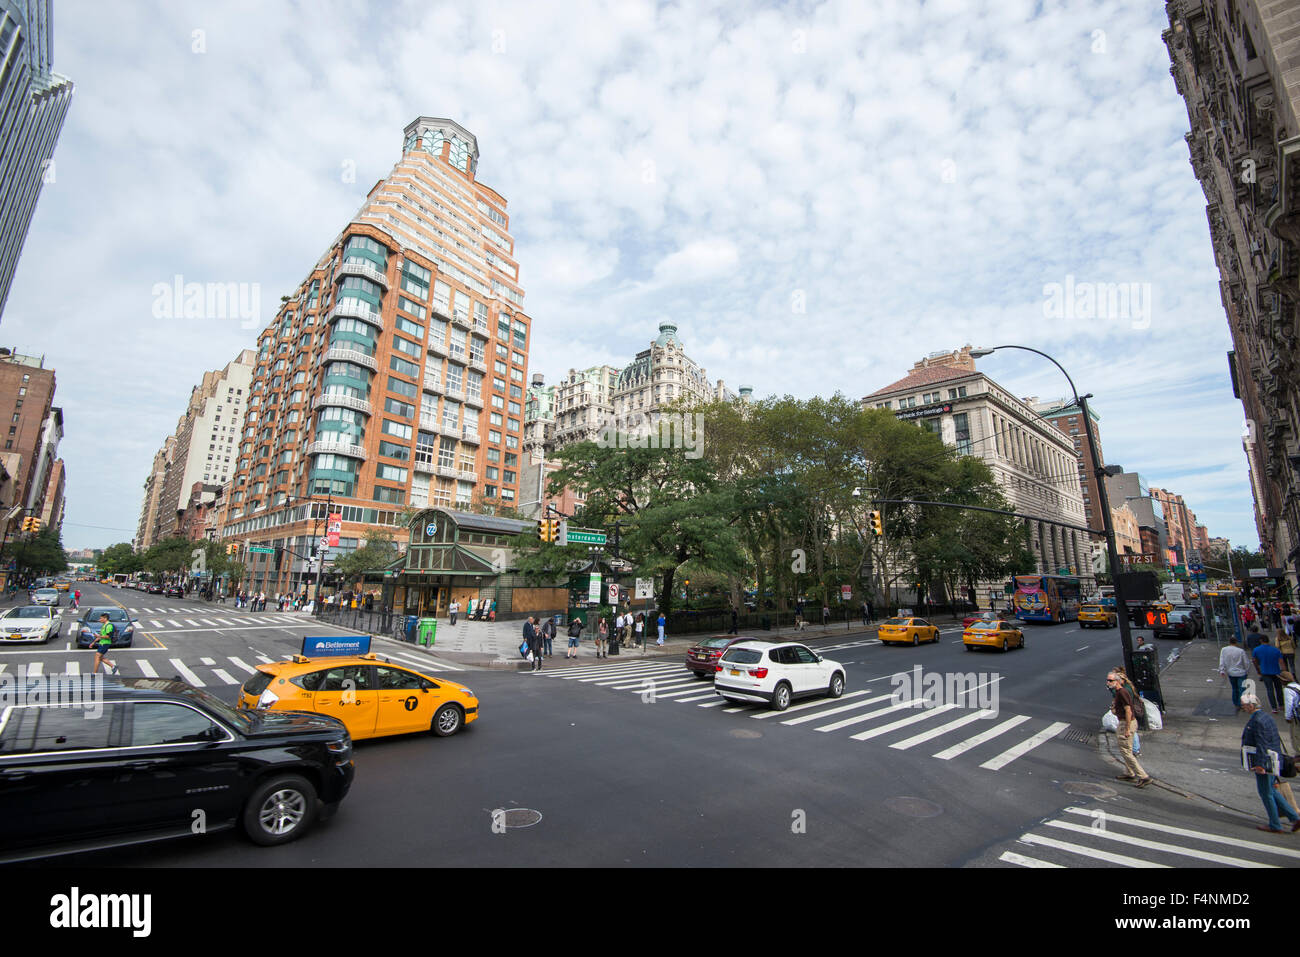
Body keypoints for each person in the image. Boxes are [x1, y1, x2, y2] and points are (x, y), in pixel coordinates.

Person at [1240, 693, 1300, 833]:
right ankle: (1294, 817)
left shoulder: (1258, 721)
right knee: (1272, 790)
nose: (1243, 708)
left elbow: (1262, 743)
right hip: (1273, 760)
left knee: (1265, 793)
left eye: (1244, 705)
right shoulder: (1266, 717)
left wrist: (1260, 765)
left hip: (1265, 763)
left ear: (1251, 706)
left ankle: (1275, 824)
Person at [1107, 669, 1151, 787]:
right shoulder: (1119, 693)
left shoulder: (1122, 692)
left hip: (1126, 723)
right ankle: (1129, 772)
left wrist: (1126, 728)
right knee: (1128, 749)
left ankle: (1143, 776)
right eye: (1107, 680)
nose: (1108, 682)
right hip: (1127, 722)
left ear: (1117, 681)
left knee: (1126, 751)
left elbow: (1128, 710)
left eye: (1110, 680)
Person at [1253, 635, 1285, 713]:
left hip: (1265, 672)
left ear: (1261, 641)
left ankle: (1274, 708)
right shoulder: (1276, 650)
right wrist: (1284, 672)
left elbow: (1255, 661)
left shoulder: (1256, 650)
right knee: (1279, 689)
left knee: (1270, 690)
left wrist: (1258, 671)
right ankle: (1281, 705)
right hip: (1276, 672)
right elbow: (1281, 662)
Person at [1219, 634, 1250, 712]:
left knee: (1234, 688)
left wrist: (1222, 670)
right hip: (1241, 672)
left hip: (1231, 672)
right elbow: (1246, 662)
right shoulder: (1240, 651)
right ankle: (1242, 704)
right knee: (1242, 689)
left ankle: (1236, 703)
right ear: (1236, 642)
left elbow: (1221, 660)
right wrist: (1246, 670)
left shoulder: (1224, 650)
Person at [1283, 670, 1300, 755]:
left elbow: (1289, 704)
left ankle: (1298, 753)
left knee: (1296, 735)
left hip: (1296, 717)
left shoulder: (1287, 689)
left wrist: (1288, 717)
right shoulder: (1298, 686)